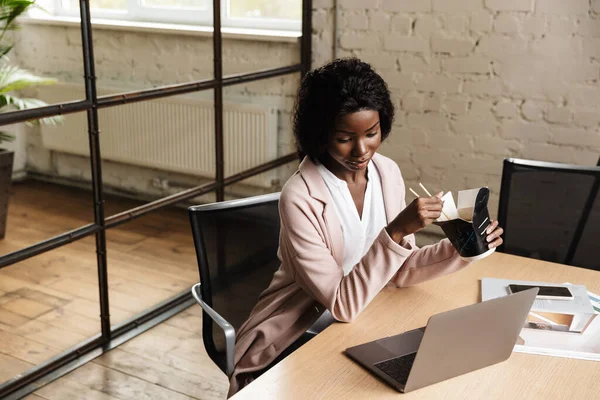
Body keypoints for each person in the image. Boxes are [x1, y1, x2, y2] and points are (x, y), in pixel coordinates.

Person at [227, 58, 503, 396]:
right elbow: (341, 304)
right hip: (300, 333)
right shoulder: (300, 197)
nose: (361, 150)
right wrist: (397, 232)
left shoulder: (387, 172)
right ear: (320, 134)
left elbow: (399, 271)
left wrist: (465, 246)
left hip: (369, 317)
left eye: (371, 134)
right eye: (345, 138)